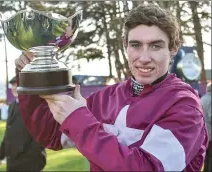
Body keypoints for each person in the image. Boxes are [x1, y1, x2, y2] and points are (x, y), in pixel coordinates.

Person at [15, 4, 208, 171]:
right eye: (136, 45)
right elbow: (52, 135)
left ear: (173, 49)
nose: (144, 57)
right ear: (125, 46)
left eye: (156, 46)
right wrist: (32, 76)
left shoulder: (184, 105)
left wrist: (78, 119)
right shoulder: (106, 97)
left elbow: (147, 167)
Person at [0, 76, 46, 172]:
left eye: (17, 85)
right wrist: (0, 155)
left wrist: (28, 157)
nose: (13, 88)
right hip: (12, 162)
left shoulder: (35, 107)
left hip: (30, 163)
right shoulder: (12, 106)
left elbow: (40, 138)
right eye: (12, 85)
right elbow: (8, 134)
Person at [201, 82, 211, 172]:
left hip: (203, 133)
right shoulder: (211, 100)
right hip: (210, 133)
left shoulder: (202, 98)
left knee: (206, 156)